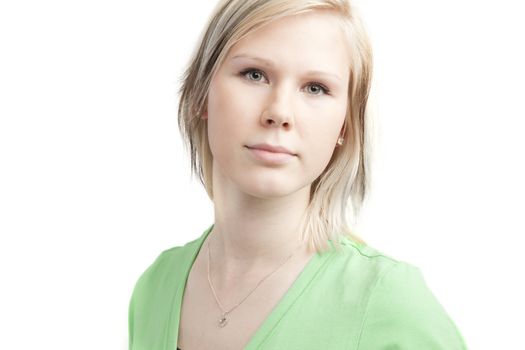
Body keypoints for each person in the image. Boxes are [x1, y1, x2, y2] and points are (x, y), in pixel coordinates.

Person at [128, 0, 468, 349]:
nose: (279, 112)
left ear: (345, 126)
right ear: (202, 93)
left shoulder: (389, 302)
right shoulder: (156, 287)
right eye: (254, 75)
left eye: (315, 87)